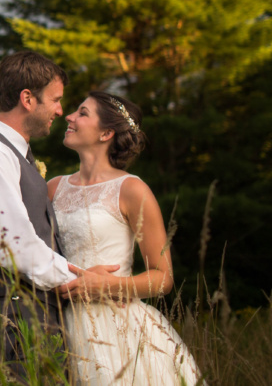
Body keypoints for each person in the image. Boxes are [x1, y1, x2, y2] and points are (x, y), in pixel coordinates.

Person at [0, 51, 118, 381]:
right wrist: (79, 279)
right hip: (9, 314)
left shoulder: (16, 156)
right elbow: (12, 245)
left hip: (32, 311)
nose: (61, 110)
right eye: (56, 100)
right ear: (27, 99)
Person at [51, 91, 202, 385]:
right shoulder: (53, 188)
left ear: (106, 132)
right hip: (59, 321)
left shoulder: (132, 190)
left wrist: (110, 285)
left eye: (82, 113)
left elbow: (163, 278)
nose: (69, 117)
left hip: (118, 328)